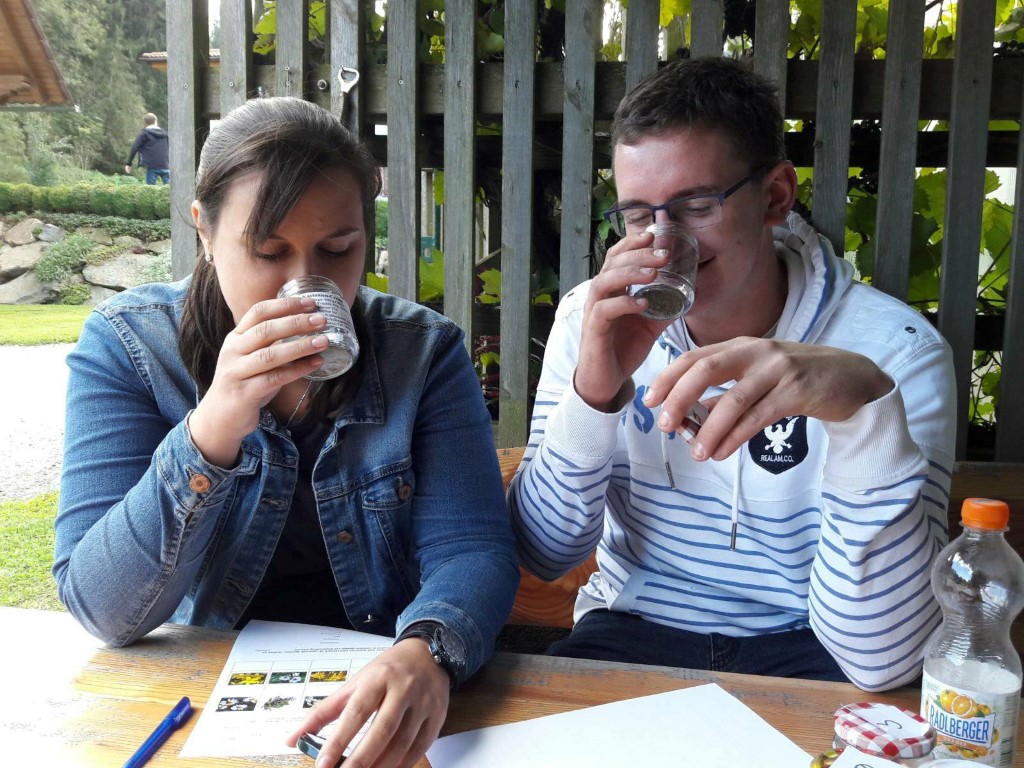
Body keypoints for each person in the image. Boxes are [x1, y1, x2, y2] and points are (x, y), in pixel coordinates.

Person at [55, 96, 519, 768]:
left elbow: (471, 546)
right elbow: (100, 606)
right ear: (205, 233)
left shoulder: (421, 351)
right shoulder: (129, 345)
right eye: (268, 251)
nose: (305, 285)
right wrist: (211, 430)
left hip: (381, 667)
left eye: (338, 248)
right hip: (202, 692)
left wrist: (429, 649)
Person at [507, 57, 956, 693]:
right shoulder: (592, 318)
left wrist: (863, 414)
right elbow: (545, 552)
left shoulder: (895, 354)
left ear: (775, 197)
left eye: (695, 205)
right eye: (637, 215)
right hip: (633, 629)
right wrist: (593, 396)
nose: (663, 242)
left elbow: (882, 659)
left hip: (814, 646)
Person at [125, 112, 170, 185]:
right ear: (156, 121)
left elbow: (134, 148)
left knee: (151, 189)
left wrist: (129, 163)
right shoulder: (165, 134)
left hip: (151, 166)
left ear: (145, 123)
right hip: (165, 165)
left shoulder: (144, 133)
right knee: (170, 188)